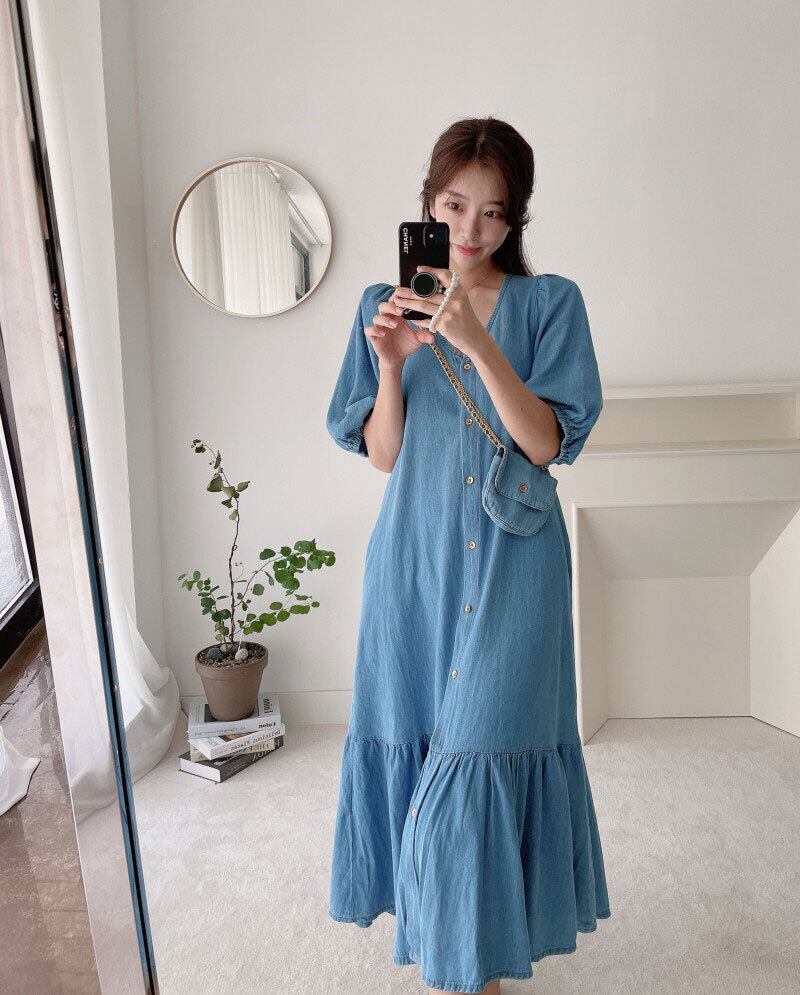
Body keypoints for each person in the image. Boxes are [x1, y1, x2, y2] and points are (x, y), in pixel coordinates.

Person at [326, 116, 611, 995]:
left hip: (514, 569)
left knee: (486, 749)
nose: (471, 229)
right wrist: (388, 363)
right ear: (428, 201)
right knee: (420, 739)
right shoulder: (383, 302)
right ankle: (454, 947)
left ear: (515, 216)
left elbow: (545, 442)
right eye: (454, 205)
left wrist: (475, 340)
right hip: (413, 565)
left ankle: (468, 965)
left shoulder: (550, 303)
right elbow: (383, 455)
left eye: (493, 211)